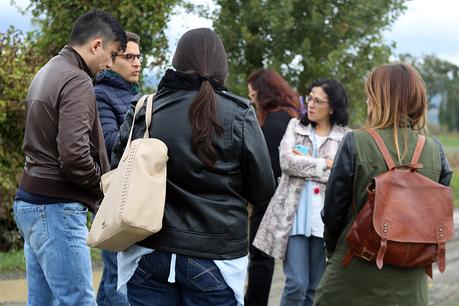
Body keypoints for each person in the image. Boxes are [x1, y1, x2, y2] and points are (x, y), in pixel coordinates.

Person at [111, 28, 276, 305]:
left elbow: (118, 169)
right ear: (221, 64)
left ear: (177, 60)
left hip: (148, 250)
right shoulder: (239, 113)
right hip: (215, 255)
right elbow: (263, 190)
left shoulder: (145, 109)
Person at [313, 63, 453, 306]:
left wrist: (331, 252)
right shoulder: (435, 150)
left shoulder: (355, 142)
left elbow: (333, 214)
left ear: (378, 98)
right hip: (411, 284)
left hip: (352, 275)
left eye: (370, 93)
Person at [12, 10, 126, 305]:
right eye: (112, 55)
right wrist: (99, 186)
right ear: (96, 45)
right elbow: (74, 156)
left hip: (32, 202)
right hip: (56, 207)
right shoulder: (77, 80)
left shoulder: (48, 70)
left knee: (42, 302)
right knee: (78, 301)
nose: (110, 65)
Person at [253, 79, 350, 306]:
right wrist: (324, 164)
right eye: (309, 98)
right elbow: (287, 163)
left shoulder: (345, 137)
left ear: (333, 106)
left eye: (318, 100)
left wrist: (307, 165)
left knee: (314, 288)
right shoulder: (295, 126)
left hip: (324, 222)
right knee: (296, 283)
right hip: (293, 219)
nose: (311, 104)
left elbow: (342, 175)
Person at [245, 68, 301, 306]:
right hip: (284, 197)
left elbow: (266, 164)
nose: (251, 100)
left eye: (253, 95)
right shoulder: (290, 116)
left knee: (261, 259)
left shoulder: (277, 121)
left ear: (263, 93)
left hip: (270, 200)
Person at [95, 31, 142, 306]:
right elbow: (110, 144)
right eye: (129, 57)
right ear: (111, 61)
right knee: (120, 280)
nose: (137, 62)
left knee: (114, 277)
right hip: (115, 200)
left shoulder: (132, 94)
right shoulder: (100, 95)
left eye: (138, 56)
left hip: (132, 198)